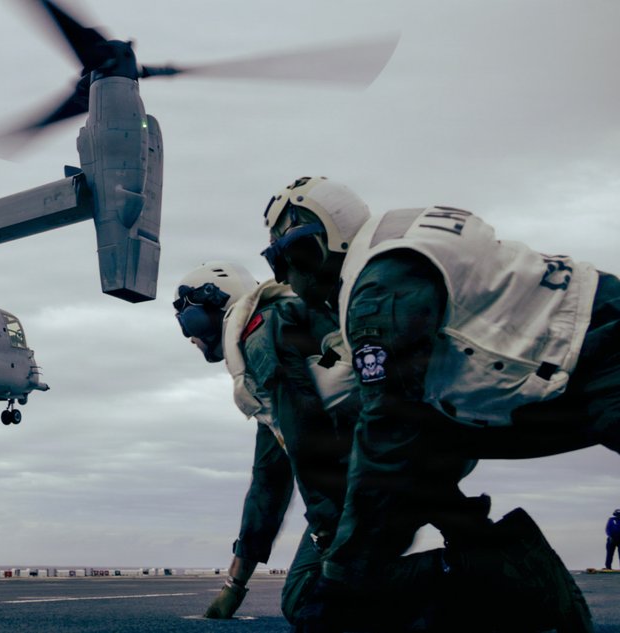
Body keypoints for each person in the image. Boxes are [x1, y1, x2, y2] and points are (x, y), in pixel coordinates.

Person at [259, 176, 605, 631]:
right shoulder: (393, 243)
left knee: (399, 450)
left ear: (316, 249)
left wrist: (345, 575)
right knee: (426, 442)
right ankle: (503, 566)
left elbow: (387, 428)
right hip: (576, 348)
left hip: (594, 356)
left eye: (287, 260)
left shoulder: (377, 290)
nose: (285, 278)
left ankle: (503, 571)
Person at [174, 261, 451, 628]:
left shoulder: (259, 334)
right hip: (400, 451)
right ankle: (482, 567)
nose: (188, 335)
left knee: (308, 598)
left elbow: (306, 431)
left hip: (379, 464)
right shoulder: (279, 329)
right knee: (327, 591)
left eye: (189, 320)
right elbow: (268, 482)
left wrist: (326, 528)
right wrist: (234, 585)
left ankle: (480, 572)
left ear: (218, 302)